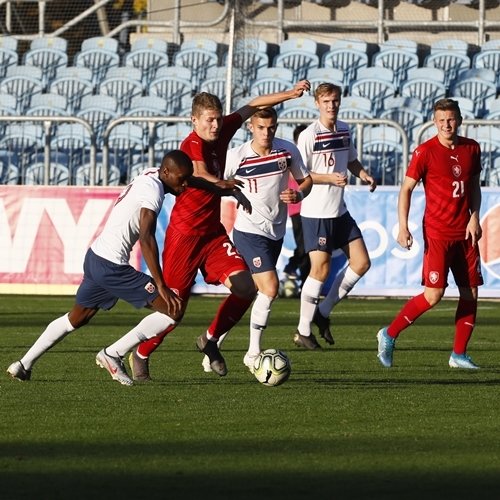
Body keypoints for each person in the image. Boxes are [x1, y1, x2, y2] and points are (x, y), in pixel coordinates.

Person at [128, 81, 311, 380]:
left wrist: (289, 95)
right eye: (208, 120)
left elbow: (254, 103)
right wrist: (225, 186)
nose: (215, 125)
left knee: (246, 288)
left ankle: (211, 340)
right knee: (174, 310)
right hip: (184, 237)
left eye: (217, 119)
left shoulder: (224, 129)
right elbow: (199, 172)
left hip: (212, 234)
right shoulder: (191, 144)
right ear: (194, 120)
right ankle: (141, 353)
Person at [7, 150, 194, 385]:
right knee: (173, 310)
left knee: (75, 318)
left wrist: (217, 186)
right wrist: (161, 284)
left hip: (95, 257)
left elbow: (184, 178)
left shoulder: (151, 174)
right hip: (112, 266)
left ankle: (23, 364)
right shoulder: (154, 192)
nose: (186, 185)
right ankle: (112, 354)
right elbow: (146, 238)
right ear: (166, 172)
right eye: (182, 179)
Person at [377, 98, 483, 369]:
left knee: (470, 292)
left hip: (466, 233)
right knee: (433, 295)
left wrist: (474, 218)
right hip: (438, 233)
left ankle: (458, 354)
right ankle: (389, 334)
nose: (447, 124)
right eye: (441, 120)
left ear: (458, 119)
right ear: (434, 122)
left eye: (451, 119)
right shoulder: (424, 152)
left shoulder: (472, 148)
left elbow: (473, 187)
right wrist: (403, 226)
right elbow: (406, 189)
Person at [218, 107, 312, 371]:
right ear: (251, 127)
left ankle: (213, 341)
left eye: (271, 128)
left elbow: (306, 180)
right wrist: (236, 195)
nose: (266, 133)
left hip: (276, 231)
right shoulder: (237, 156)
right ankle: (253, 353)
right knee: (270, 289)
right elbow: (217, 182)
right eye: (261, 127)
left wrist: (299, 195)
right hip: (248, 231)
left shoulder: (287, 150)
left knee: (246, 295)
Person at [293, 82, 377, 350]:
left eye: (335, 101)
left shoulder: (344, 129)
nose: (331, 106)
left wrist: (362, 173)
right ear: (317, 103)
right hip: (316, 213)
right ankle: (303, 330)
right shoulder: (309, 135)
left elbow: (350, 160)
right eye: (326, 101)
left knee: (362, 262)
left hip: (338, 211)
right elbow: (300, 174)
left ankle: (323, 312)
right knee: (321, 269)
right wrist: (329, 178)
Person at [281, 124, 310, 294]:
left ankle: (303, 282)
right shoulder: (293, 155)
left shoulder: (308, 155)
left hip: (312, 206)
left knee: (311, 247)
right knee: (305, 246)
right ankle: (293, 269)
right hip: (298, 207)